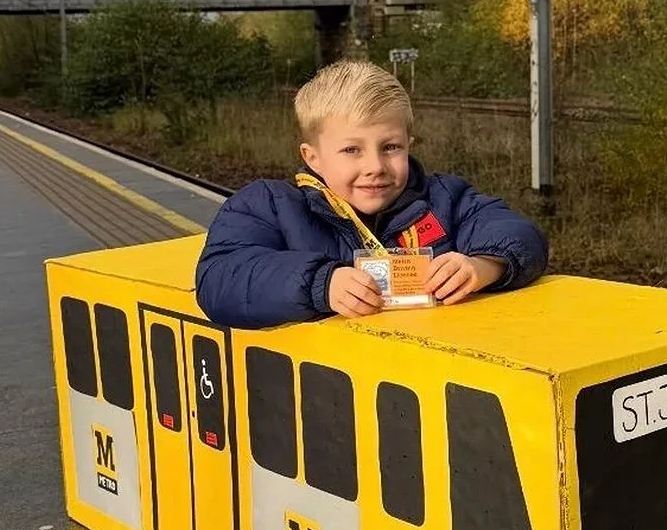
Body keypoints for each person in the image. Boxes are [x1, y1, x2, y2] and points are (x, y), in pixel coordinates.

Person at [194, 59, 548, 329]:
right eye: (352, 150)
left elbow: (520, 233)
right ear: (312, 157)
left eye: (390, 147)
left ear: (409, 144)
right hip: (324, 397)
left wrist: (484, 265)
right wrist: (321, 283)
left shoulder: (445, 199)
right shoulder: (267, 207)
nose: (375, 166)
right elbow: (220, 278)